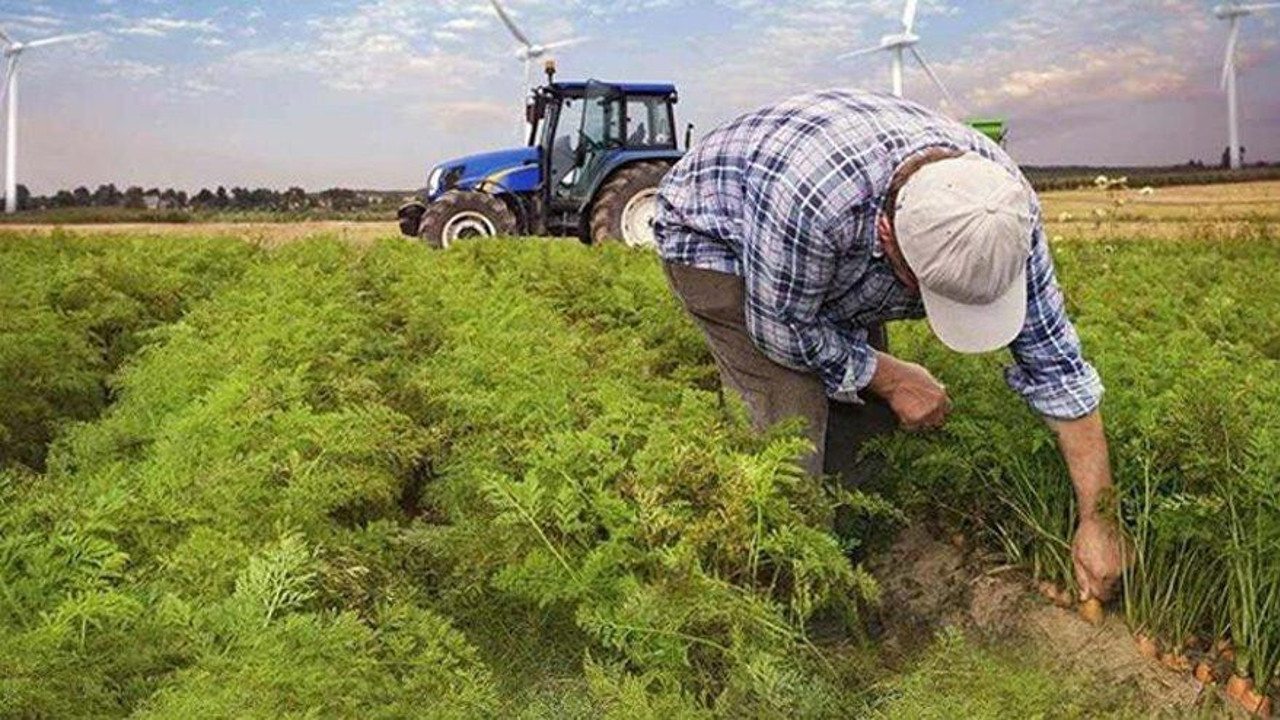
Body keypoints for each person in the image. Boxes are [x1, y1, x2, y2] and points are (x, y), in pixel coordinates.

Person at [654, 89, 1125, 602]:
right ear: (887, 236)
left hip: (826, 242)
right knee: (789, 426)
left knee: (866, 418)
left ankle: (860, 557)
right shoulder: (813, 203)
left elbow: (1058, 368)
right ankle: (784, 594)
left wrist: (1099, 519)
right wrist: (894, 376)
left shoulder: (1002, 210)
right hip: (718, 237)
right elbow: (783, 330)